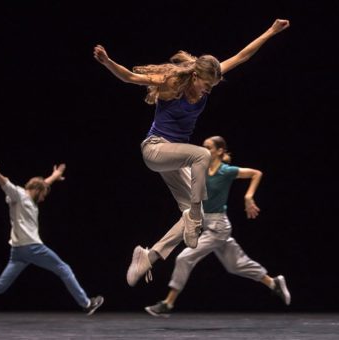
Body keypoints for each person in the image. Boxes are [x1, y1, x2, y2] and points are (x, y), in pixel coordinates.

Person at [93, 18, 291, 287]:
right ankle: (195, 213)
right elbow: (130, 77)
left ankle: (148, 257)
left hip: (177, 157)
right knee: (201, 157)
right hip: (156, 149)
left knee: (194, 222)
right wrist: (107, 61)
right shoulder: (171, 82)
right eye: (207, 86)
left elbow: (242, 56)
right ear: (196, 76)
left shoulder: (209, 79)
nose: (209, 91)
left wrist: (271, 31)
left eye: (213, 87)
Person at [145, 136, 291, 317]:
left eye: (209, 148)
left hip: (218, 226)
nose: (204, 150)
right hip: (207, 224)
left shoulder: (226, 171)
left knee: (184, 258)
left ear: (220, 151)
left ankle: (168, 303)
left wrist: (248, 197)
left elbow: (256, 173)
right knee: (236, 265)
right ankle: (273, 283)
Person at [0, 162, 104, 323]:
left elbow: (44, 183)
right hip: (32, 247)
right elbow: (5, 182)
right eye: (43, 195)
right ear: (37, 191)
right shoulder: (19, 194)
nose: (43, 199)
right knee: (64, 268)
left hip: (18, 251)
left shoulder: (31, 196)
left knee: (1, 285)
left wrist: (55, 175)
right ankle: (87, 303)